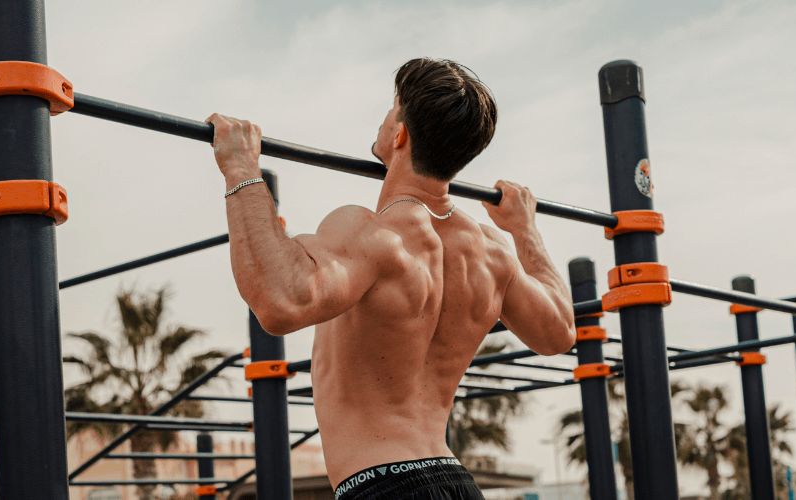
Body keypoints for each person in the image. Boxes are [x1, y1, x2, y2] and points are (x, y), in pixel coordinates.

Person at [208, 58, 576, 500]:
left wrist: (241, 169)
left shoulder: (373, 236)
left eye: (391, 109)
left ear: (399, 133)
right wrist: (525, 229)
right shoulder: (492, 253)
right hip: (456, 482)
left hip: (384, 486)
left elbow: (281, 302)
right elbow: (559, 331)